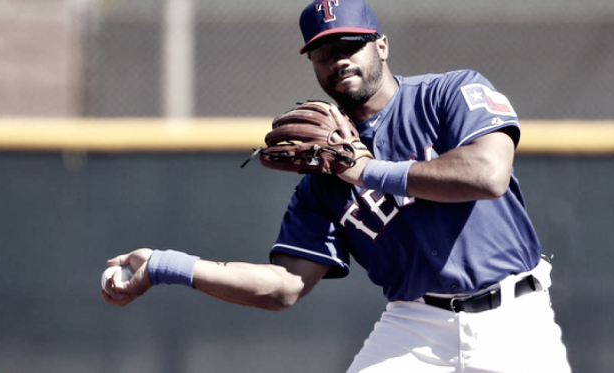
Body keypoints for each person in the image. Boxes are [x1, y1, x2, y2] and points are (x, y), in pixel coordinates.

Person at [102, 0, 572, 372]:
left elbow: (488, 175)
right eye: (324, 51)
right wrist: (165, 265)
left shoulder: (446, 94)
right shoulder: (318, 177)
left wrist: (367, 171)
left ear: (382, 45)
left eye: (351, 44)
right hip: (415, 323)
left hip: (514, 317)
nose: (339, 59)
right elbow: (282, 287)